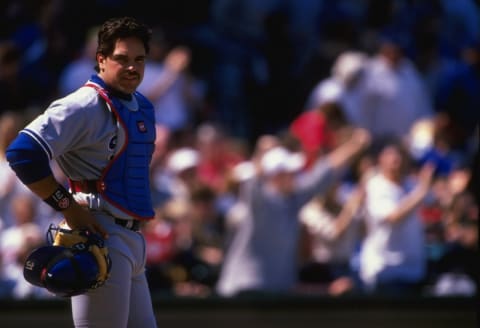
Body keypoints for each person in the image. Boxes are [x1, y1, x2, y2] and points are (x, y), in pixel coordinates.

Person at [6, 16, 158, 327]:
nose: (132, 67)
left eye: (139, 59)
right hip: (98, 232)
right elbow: (22, 153)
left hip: (131, 239)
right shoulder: (84, 104)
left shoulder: (139, 105)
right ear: (101, 59)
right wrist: (68, 207)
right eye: (122, 59)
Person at [215, 127, 370, 297]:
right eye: (289, 172)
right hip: (245, 290)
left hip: (277, 291)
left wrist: (353, 146)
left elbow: (323, 173)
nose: (295, 175)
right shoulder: (260, 200)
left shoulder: (294, 199)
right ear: (276, 176)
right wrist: (262, 153)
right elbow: (253, 181)